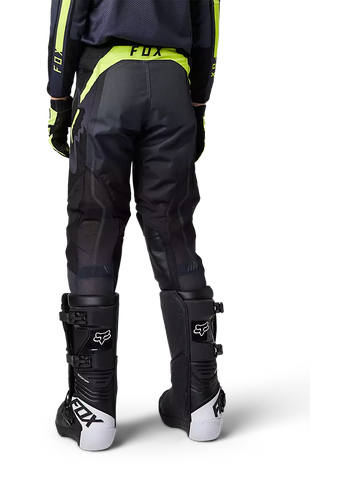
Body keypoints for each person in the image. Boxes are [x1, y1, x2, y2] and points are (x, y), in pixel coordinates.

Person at [45, 0, 226, 452]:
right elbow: (210, 21)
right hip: (175, 85)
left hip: (106, 81)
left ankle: (93, 409)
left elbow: (67, 15)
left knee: (94, 221)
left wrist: (57, 101)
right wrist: (200, 104)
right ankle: (201, 403)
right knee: (176, 226)